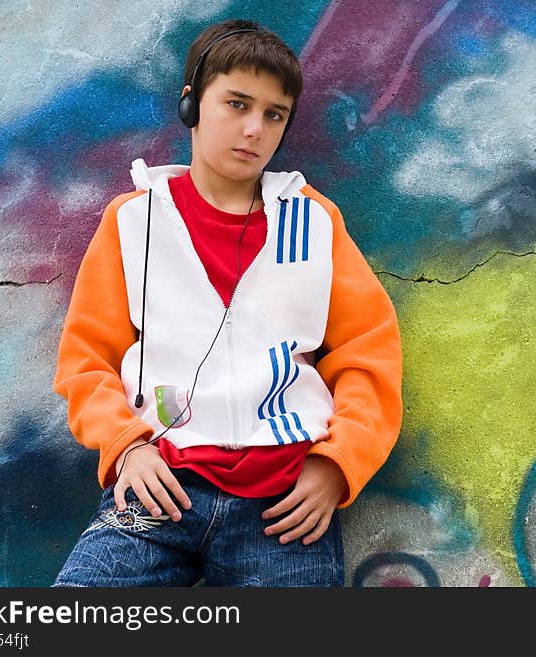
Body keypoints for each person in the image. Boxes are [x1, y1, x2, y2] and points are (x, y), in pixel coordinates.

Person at [51, 18, 402, 587]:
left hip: (284, 500)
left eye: (273, 114)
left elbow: (369, 352)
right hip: (160, 482)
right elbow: (86, 360)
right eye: (236, 104)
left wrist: (340, 464)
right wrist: (126, 448)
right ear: (191, 104)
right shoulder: (133, 221)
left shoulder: (314, 221)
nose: (254, 129)